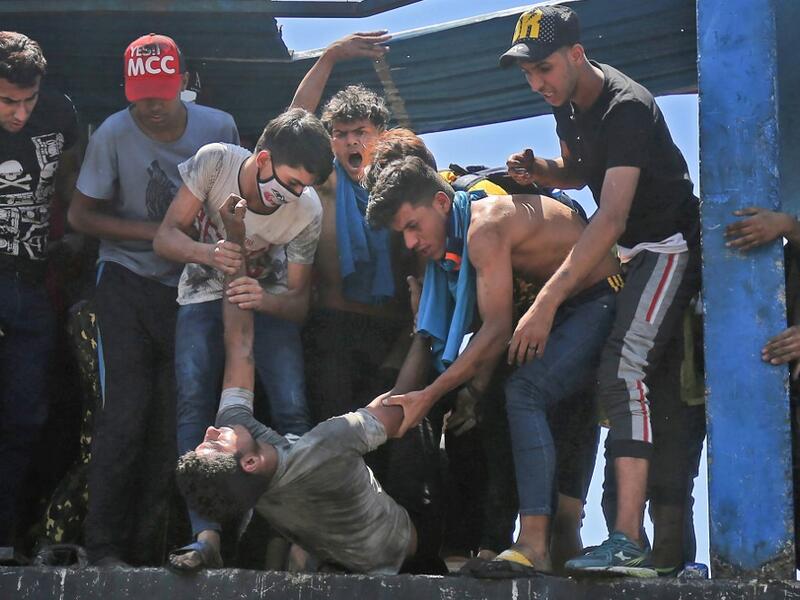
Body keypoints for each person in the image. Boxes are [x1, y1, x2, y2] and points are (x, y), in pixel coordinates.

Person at [501, 5, 701, 576]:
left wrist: (545, 302)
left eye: (544, 68)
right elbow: (578, 170)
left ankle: (629, 540)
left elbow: (609, 218)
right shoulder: (567, 105)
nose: (537, 83)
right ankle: (623, 535)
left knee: (624, 369)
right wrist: (540, 170)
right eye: (527, 74)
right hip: (631, 253)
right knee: (613, 378)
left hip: (666, 246)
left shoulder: (627, 107)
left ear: (576, 55)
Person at [366, 155, 622, 575]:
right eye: (402, 234)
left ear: (441, 203)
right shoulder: (457, 242)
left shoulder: (482, 228)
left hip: (597, 298)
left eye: (413, 226)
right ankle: (518, 542)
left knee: (523, 391)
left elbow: (497, 328)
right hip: (561, 313)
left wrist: (430, 395)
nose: (410, 243)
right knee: (504, 398)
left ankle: (534, 545)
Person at [176, 194, 431, 575]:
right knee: (417, 432)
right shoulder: (324, 448)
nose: (211, 429)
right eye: (214, 442)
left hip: (332, 543)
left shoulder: (250, 486)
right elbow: (403, 407)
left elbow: (240, 346)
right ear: (249, 461)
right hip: (403, 546)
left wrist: (235, 239)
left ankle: (305, 556)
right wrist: (421, 326)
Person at [68, 33, 239, 567]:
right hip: (126, 282)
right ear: (126, 90)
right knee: (123, 416)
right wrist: (159, 233)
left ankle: (160, 547)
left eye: (163, 93)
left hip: (193, 297)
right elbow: (80, 216)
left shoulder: (220, 127)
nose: (153, 106)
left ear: (183, 84)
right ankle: (103, 550)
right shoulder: (113, 135)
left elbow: (243, 201)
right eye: (142, 95)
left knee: (179, 423)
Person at [290, 34, 446, 571]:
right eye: (341, 134)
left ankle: (410, 563)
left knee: (404, 454)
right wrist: (329, 56)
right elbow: (291, 125)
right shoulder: (326, 183)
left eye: (362, 132)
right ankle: (330, 562)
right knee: (334, 451)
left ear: (382, 137)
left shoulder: (404, 186)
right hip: (332, 332)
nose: (352, 142)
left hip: (394, 340)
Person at [153, 108, 332, 571]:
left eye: (304, 186)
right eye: (290, 182)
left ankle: (300, 537)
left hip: (265, 308)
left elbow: (297, 303)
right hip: (200, 296)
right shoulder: (215, 163)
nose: (294, 194)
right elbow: (165, 237)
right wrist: (207, 253)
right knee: (195, 409)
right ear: (264, 158)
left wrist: (264, 298)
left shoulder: (307, 209)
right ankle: (205, 535)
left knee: (292, 409)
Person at [0, 31, 79, 560]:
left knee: (27, 415)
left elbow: (73, 185)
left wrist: (75, 234)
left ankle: (6, 534)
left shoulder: (61, 114)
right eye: (7, 101)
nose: (20, 113)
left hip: (32, 286)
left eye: (27, 101)